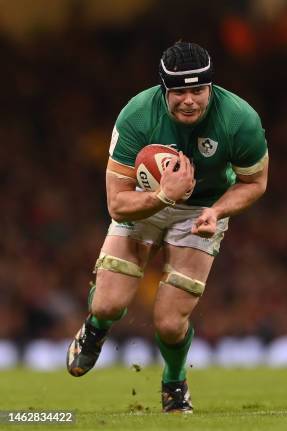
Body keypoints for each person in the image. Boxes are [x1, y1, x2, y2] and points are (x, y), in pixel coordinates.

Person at [66, 41, 269, 413]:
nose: (189, 100)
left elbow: (255, 182)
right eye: (179, 92)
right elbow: (116, 202)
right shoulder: (137, 116)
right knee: (109, 303)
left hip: (201, 210)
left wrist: (218, 212)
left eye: (198, 90)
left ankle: (174, 383)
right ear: (164, 89)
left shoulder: (240, 119)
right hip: (146, 203)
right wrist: (163, 196)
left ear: (211, 87)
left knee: (170, 323)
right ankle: (96, 327)